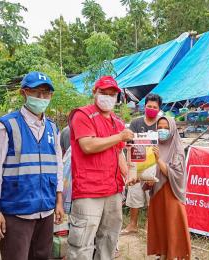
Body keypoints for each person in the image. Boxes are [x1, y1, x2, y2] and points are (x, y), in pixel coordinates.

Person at [67, 75, 134, 260]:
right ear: (94, 92)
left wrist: (127, 173)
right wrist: (120, 137)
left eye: (112, 94)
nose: (108, 97)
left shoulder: (117, 121)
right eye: (103, 92)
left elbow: (118, 152)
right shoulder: (83, 115)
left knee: (109, 239)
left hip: (113, 190)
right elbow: (87, 146)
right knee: (82, 245)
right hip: (89, 190)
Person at [0, 71, 64, 260]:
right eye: (36, 92)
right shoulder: (7, 126)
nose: (42, 97)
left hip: (46, 210)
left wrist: (58, 201)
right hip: (16, 212)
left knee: (43, 256)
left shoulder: (53, 128)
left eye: (46, 93)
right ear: (24, 93)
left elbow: (58, 166)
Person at [146, 116, 191, 260]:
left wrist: (158, 160)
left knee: (172, 225)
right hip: (157, 192)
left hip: (171, 192)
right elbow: (146, 168)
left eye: (166, 128)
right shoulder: (153, 145)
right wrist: (147, 181)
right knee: (160, 224)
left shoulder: (177, 148)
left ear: (172, 129)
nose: (162, 131)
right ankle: (163, 254)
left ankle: (172, 255)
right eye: (160, 128)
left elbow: (177, 174)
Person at [121, 94, 162, 235]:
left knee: (153, 198)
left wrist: (155, 170)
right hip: (137, 164)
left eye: (154, 107)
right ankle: (133, 225)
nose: (151, 109)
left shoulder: (161, 124)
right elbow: (129, 144)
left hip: (154, 165)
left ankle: (151, 227)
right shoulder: (136, 123)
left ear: (159, 109)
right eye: (149, 106)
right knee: (134, 194)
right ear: (145, 107)